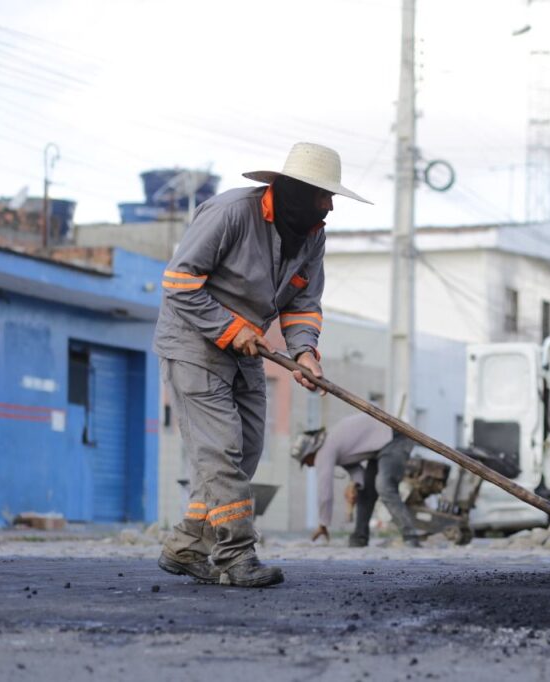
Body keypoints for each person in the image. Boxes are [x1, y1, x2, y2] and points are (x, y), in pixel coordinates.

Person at [154, 142, 371, 587]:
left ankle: (186, 545)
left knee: (247, 449)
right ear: (295, 190)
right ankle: (235, 554)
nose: (330, 206)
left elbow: (304, 305)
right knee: (221, 452)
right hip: (194, 342)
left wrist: (304, 354)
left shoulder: (312, 234)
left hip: (247, 347)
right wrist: (229, 328)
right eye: (323, 195)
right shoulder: (230, 213)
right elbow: (178, 282)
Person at [294, 413, 423, 548]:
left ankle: (410, 536)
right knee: (366, 490)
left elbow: (325, 494)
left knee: (384, 486)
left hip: (395, 437)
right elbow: (356, 471)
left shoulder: (324, 452)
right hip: (380, 445)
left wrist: (323, 524)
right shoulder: (332, 444)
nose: (309, 465)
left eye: (305, 461)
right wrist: (356, 485)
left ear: (309, 452)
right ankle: (359, 537)